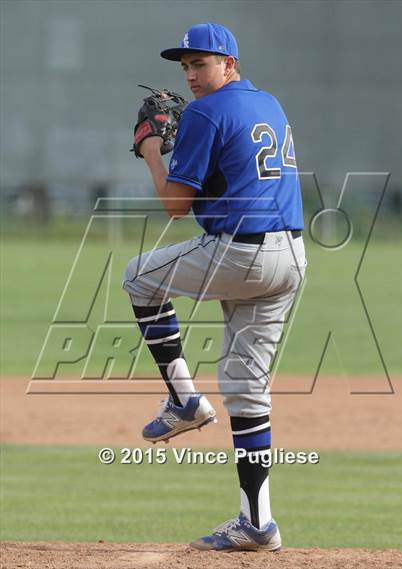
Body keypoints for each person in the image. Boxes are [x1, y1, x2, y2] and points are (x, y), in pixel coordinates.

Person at [123, 22, 306, 552]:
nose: (191, 75)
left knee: (137, 277)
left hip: (243, 252)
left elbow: (176, 207)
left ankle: (183, 400)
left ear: (230, 64)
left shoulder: (205, 110)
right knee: (247, 390)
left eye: (201, 64)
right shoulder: (267, 102)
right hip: (292, 256)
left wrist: (153, 149)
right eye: (185, 66)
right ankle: (257, 523)